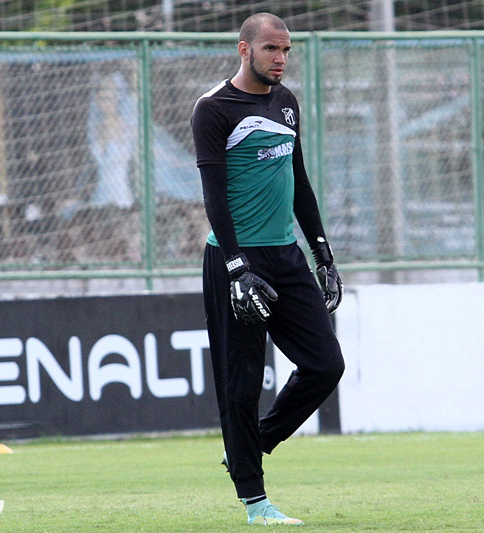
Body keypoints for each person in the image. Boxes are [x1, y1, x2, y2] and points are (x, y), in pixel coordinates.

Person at [190, 12, 346, 527]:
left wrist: (322, 253)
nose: (280, 59)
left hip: (285, 256)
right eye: (270, 50)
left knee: (326, 365)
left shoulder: (287, 103)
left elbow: (298, 182)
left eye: (286, 51)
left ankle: (252, 444)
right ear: (244, 50)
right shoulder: (213, 110)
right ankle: (256, 503)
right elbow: (214, 197)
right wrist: (237, 268)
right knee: (240, 385)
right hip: (236, 258)